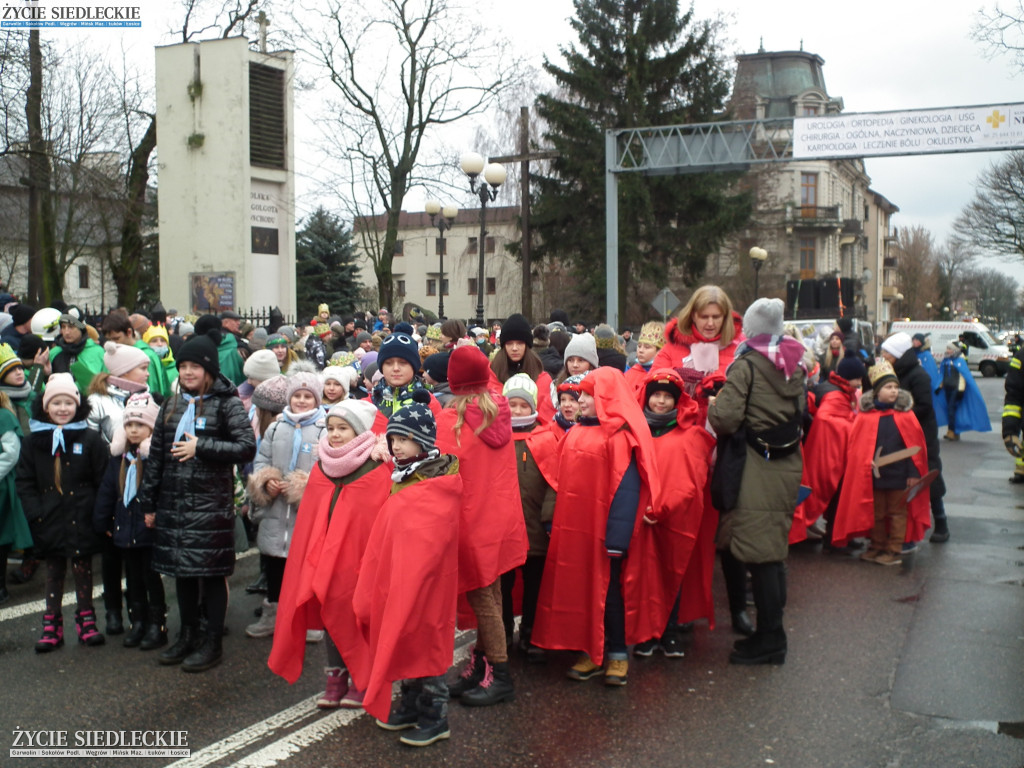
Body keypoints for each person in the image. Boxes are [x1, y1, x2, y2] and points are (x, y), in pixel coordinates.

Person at [532, 368, 661, 687]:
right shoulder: (576, 432)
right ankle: (591, 650)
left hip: (605, 537)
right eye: (582, 394)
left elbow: (627, 490)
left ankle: (617, 654)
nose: (582, 400)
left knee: (610, 595)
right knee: (582, 593)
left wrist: (616, 538)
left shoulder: (619, 438)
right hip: (576, 533)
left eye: (589, 395)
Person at [137, 331, 256, 672]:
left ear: (209, 370)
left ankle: (212, 642)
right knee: (182, 574)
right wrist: (149, 503)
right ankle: (187, 634)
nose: (188, 372)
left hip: (210, 505)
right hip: (174, 503)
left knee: (211, 574)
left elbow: (245, 447)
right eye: (183, 366)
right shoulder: (172, 404)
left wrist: (201, 447)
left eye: (195, 367)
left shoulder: (227, 402)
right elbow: (157, 455)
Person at [268, 400, 391, 709]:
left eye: (343, 429)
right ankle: (336, 676)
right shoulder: (323, 466)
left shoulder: (377, 469)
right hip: (324, 556)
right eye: (331, 428)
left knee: (357, 614)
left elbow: (374, 518)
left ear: (359, 432)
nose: (335, 435)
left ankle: (364, 678)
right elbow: (313, 516)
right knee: (329, 611)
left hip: (358, 560)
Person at [353, 402, 462, 747]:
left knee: (425, 642)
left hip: (428, 582)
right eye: (393, 438)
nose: (396, 446)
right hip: (403, 575)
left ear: (424, 441)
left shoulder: (436, 480)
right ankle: (411, 704)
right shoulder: (404, 474)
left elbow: (429, 532)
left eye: (404, 439)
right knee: (401, 635)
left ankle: (435, 716)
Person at [708, 298, 806, 666]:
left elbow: (728, 419)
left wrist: (712, 403)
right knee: (773, 553)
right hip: (785, 464)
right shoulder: (795, 362)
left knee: (762, 558)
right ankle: (770, 634)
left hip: (756, 466)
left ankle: (771, 640)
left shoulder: (747, 364)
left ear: (750, 329)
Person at [436, 347, 527, 706]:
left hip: (471, 521)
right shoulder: (498, 410)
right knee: (493, 594)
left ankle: (500, 673)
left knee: (483, 599)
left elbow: (440, 469)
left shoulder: (452, 420)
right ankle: (483, 663)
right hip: (499, 519)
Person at [17, 373, 109, 651]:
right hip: (50, 519)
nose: (62, 408)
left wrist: (98, 513)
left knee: (83, 569)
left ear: (77, 405)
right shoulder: (33, 442)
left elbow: (102, 479)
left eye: (68, 402)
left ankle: (87, 622)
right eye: (56, 402)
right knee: (54, 570)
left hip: (82, 517)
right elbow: (25, 482)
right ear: (46, 406)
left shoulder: (91, 439)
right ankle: (51, 626)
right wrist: (37, 514)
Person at [633, 368, 714, 659]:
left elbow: (692, 480)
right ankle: (645, 634)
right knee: (642, 577)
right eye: (657, 395)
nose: (662, 402)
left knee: (672, 574)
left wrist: (663, 508)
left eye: (668, 397)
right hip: (640, 517)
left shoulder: (690, 435)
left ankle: (668, 633)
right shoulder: (634, 432)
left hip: (674, 519)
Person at [246, 372, 326, 640]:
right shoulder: (276, 428)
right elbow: (262, 460)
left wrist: (304, 487)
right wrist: (266, 481)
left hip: (306, 514)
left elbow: (328, 469)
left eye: (307, 396)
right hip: (276, 513)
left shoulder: (325, 429)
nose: (302, 401)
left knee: (306, 565)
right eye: (297, 396)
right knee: (274, 565)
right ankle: (273, 613)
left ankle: (309, 618)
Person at [832, 360, 930, 567]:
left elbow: (916, 450)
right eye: (888, 387)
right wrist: (862, 465)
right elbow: (857, 448)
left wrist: (913, 474)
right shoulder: (865, 417)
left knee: (897, 514)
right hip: (874, 476)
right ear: (877, 391)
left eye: (895, 387)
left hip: (899, 475)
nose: (893, 391)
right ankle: (876, 545)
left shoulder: (906, 416)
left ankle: (894, 549)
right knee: (876, 513)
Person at [93, 392, 168, 650]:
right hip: (125, 529)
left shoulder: (155, 459)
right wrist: (102, 522)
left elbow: (162, 491)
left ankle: (157, 625)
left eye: (140, 425)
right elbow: (107, 492)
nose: (134, 430)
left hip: (148, 529)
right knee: (133, 579)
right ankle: (138, 621)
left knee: (151, 577)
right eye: (129, 425)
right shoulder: (119, 459)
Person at [500, 374, 556, 662]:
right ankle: (504, 632)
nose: (518, 410)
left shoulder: (546, 438)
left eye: (524, 405)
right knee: (503, 587)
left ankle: (531, 632)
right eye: (513, 405)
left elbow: (553, 482)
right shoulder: (495, 438)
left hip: (535, 527)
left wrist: (549, 518)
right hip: (503, 529)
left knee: (535, 586)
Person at [880, 332, 947, 544]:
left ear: (898, 354)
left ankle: (941, 522)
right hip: (900, 433)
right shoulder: (894, 372)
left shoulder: (918, 375)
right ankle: (902, 526)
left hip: (921, 435)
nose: (883, 357)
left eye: (886, 353)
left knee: (929, 476)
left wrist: (901, 416)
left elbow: (925, 407)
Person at [794, 356, 866, 548]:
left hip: (834, 451)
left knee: (837, 494)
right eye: (857, 379)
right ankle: (834, 537)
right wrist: (855, 425)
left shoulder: (840, 390)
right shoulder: (836, 395)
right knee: (834, 493)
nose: (860, 383)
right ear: (847, 377)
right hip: (830, 454)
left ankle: (835, 535)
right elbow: (827, 419)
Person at [653, 285, 743, 379]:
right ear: (693, 316)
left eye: (716, 317)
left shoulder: (738, 354)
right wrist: (673, 378)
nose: (710, 323)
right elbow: (649, 388)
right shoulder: (669, 351)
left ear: (725, 317)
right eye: (704, 317)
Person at [489, 313, 556, 422]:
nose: (514, 348)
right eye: (510, 343)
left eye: (520, 343)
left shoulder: (542, 379)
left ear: (527, 345)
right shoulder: (490, 376)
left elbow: (547, 418)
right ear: (503, 345)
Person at [0, 386, 30, 606]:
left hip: (1, 486)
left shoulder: (4, 416)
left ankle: (1, 586)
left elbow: (11, 453)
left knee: (1, 539)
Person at [100, 313, 171, 397]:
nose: (113, 344)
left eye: (116, 338)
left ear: (129, 332)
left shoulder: (147, 355)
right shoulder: (112, 355)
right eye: (109, 340)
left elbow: (152, 389)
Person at [937, 342, 991, 441]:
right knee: (950, 410)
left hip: (955, 389)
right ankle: (955, 431)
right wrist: (939, 386)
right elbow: (942, 375)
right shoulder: (946, 360)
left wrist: (960, 390)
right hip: (947, 389)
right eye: (947, 348)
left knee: (951, 409)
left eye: (949, 349)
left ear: (954, 350)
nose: (947, 350)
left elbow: (963, 377)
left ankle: (952, 431)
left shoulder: (959, 361)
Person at [49, 309, 106, 394]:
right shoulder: (54, 352)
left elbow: (105, 381)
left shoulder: (98, 352)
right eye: (63, 327)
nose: (67, 332)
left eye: (71, 327)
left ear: (81, 328)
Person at [623, 322, 665, 391]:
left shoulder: (665, 375)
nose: (641, 350)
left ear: (659, 351)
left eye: (647, 347)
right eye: (639, 346)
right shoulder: (628, 375)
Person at [143, 324, 178, 389]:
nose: (159, 344)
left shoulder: (176, 368)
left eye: (163, 340)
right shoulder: (142, 368)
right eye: (154, 341)